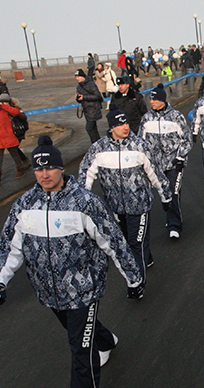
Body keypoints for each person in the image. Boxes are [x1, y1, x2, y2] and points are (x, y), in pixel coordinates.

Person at [0, 136, 143, 388]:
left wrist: (134, 279)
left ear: (60, 168)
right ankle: (106, 339)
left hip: (84, 289)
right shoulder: (25, 206)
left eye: (50, 168)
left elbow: (113, 242)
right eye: (39, 169)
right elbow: (9, 247)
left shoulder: (84, 202)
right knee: (80, 334)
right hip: (50, 293)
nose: (45, 174)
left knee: (79, 352)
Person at [78, 106, 172, 284]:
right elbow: (86, 174)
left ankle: (137, 283)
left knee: (136, 245)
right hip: (116, 206)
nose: (125, 127)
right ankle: (147, 257)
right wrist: (81, 203)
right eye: (120, 125)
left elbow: (155, 174)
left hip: (140, 205)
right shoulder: (98, 149)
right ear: (112, 127)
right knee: (128, 242)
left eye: (126, 123)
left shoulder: (141, 146)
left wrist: (165, 195)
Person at [138, 83, 192, 239]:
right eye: (151, 100)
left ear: (162, 100)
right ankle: (171, 215)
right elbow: (140, 142)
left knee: (173, 192)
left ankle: (174, 225)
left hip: (174, 163)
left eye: (154, 99)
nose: (152, 102)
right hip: (155, 165)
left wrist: (180, 157)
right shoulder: (147, 118)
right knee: (164, 194)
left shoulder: (176, 117)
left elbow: (187, 139)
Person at [0, 93, 31, 166]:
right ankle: (23, 161)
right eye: (2, 102)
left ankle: (23, 161)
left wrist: (14, 112)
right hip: (8, 131)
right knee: (13, 148)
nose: (4, 104)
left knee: (14, 148)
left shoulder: (16, 108)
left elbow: (24, 117)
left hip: (17, 131)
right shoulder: (1, 109)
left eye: (5, 102)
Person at [74, 68, 103, 143]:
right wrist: (78, 98)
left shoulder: (91, 84)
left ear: (83, 76)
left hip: (93, 109)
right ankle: (98, 144)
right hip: (86, 110)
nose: (77, 79)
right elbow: (81, 99)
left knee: (89, 128)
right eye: (76, 77)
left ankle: (95, 144)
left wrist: (84, 97)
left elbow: (97, 96)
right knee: (93, 129)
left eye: (78, 77)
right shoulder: (79, 86)